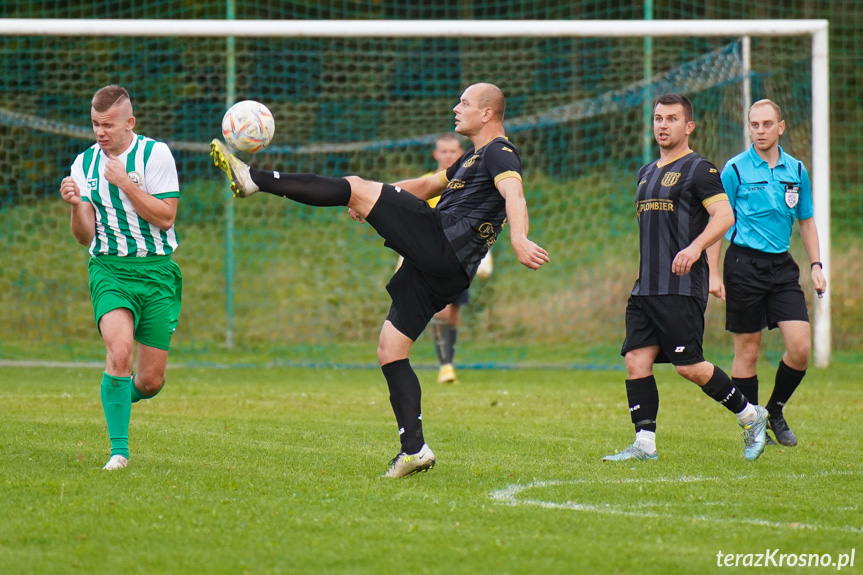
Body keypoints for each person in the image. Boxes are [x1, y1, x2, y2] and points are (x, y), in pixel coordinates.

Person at [210, 82, 549, 478]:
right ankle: (414, 449)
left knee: (352, 184)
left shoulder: (500, 152)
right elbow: (424, 188)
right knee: (391, 349)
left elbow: (515, 195)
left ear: (487, 113)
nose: (456, 108)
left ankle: (254, 179)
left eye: (464, 103)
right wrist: (373, 200)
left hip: (444, 242)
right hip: (443, 269)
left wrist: (519, 237)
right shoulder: (471, 159)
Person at [603, 93, 768, 463]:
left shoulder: (700, 169)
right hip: (646, 287)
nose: (663, 125)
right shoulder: (646, 172)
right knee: (635, 360)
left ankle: (751, 416)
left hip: (681, 287)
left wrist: (695, 250)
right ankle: (645, 445)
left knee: (688, 366)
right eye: (658, 118)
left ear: (688, 126)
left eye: (672, 119)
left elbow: (725, 217)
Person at [60, 85, 182, 471]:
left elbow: (166, 217)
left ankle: (113, 395)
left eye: (108, 124)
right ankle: (119, 452)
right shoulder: (83, 164)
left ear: (129, 123)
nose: (100, 132)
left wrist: (126, 183)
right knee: (119, 352)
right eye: (95, 124)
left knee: (150, 382)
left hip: (157, 271)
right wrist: (77, 207)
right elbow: (84, 237)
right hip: (109, 269)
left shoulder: (155, 154)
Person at [707, 99, 826, 447]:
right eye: (754, 125)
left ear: (781, 127)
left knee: (801, 348)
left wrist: (816, 265)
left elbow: (806, 220)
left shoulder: (797, 170)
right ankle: (752, 426)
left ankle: (773, 410)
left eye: (767, 124)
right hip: (743, 264)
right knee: (748, 349)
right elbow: (718, 221)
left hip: (782, 267)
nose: (760, 131)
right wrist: (713, 272)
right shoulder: (735, 170)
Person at [395, 133, 492, 385]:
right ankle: (445, 365)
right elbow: (411, 222)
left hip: (460, 255)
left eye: (453, 151)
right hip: (431, 254)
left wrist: (485, 255)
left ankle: (447, 362)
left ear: (461, 153)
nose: (448, 155)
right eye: (443, 151)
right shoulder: (426, 183)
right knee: (442, 311)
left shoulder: (470, 181)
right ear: (435, 155)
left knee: (453, 314)